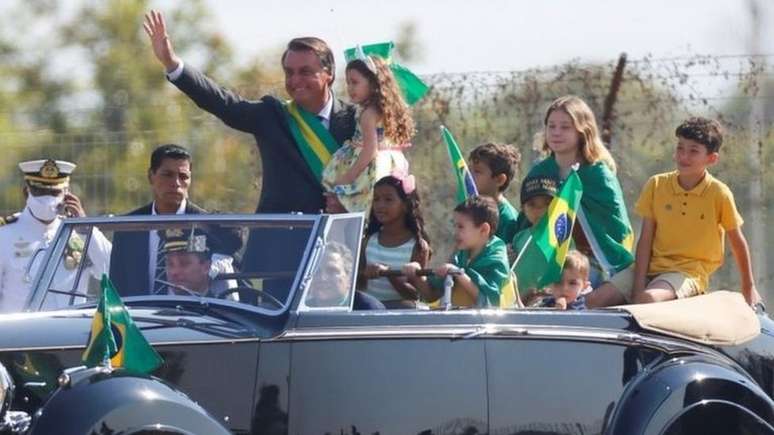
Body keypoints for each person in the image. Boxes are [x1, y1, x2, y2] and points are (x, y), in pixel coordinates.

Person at [144, 11, 355, 215]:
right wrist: (172, 63)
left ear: (329, 73)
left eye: (305, 72)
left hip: (341, 238)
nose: (295, 80)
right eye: (289, 73)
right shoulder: (273, 115)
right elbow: (223, 102)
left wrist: (351, 204)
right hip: (282, 239)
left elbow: (378, 181)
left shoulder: (356, 120)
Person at [590, 117, 761, 307]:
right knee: (595, 300)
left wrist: (748, 287)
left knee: (649, 299)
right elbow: (645, 239)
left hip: (687, 273)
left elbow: (738, 243)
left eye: (693, 151)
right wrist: (638, 285)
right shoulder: (656, 184)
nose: (684, 156)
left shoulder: (719, 193)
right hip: (649, 269)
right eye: (680, 148)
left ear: (711, 159)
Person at [516, 95, 634, 294]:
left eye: (565, 127)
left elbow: (616, 229)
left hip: (592, 263)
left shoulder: (598, 175)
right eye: (551, 126)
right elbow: (527, 221)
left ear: (582, 131)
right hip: (545, 260)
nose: (556, 133)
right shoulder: (540, 172)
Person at [109, 144, 240, 296]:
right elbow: (116, 290)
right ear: (151, 176)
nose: (176, 183)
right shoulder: (128, 227)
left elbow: (239, 283)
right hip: (140, 317)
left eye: (183, 177)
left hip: (196, 317)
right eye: (168, 174)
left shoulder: (210, 226)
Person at [0, 159, 111, 312]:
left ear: (67, 193)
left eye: (54, 192)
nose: (47, 199)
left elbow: (111, 270)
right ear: (26, 193)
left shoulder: (82, 232)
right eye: (40, 192)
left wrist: (87, 229)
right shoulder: (5, 234)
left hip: (69, 331)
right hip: (20, 332)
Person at [321, 51, 414, 214]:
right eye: (348, 83)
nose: (350, 88)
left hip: (369, 168)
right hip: (389, 163)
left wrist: (348, 178)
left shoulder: (368, 114)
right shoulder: (382, 110)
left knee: (352, 205)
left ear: (372, 83)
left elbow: (370, 150)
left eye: (355, 82)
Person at [403, 196, 509, 308]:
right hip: (461, 322)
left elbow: (490, 302)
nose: (455, 232)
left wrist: (459, 274)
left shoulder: (496, 260)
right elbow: (432, 294)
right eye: (455, 226)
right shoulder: (460, 256)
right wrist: (416, 275)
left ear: (483, 230)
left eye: (461, 227)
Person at [358, 174, 431, 308]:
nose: (380, 205)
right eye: (376, 199)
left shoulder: (417, 246)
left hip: (398, 314)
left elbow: (415, 295)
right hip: (368, 311)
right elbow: (357, 286)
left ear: (405, 205)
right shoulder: (368, 241)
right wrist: (364, 274)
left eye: (388, 199)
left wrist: (389, 274)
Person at [511, 175, 558, 298]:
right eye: (532, 204)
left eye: (547, 204)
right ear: (523, 209)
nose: (540, 211)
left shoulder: (562, 237)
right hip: (520, 301)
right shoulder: (519, 237)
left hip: (549, 301)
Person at [469, 143, 521, 244]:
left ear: (499, 180)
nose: (469, 177)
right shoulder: (471, 209)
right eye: (469, 170)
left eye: (477, 171)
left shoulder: (508, 220)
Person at [159, 228, 230, 297]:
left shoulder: (221, 308)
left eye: (184, 263)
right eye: (170, 264)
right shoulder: (155, 307)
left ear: (206, 267)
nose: (174, 272)